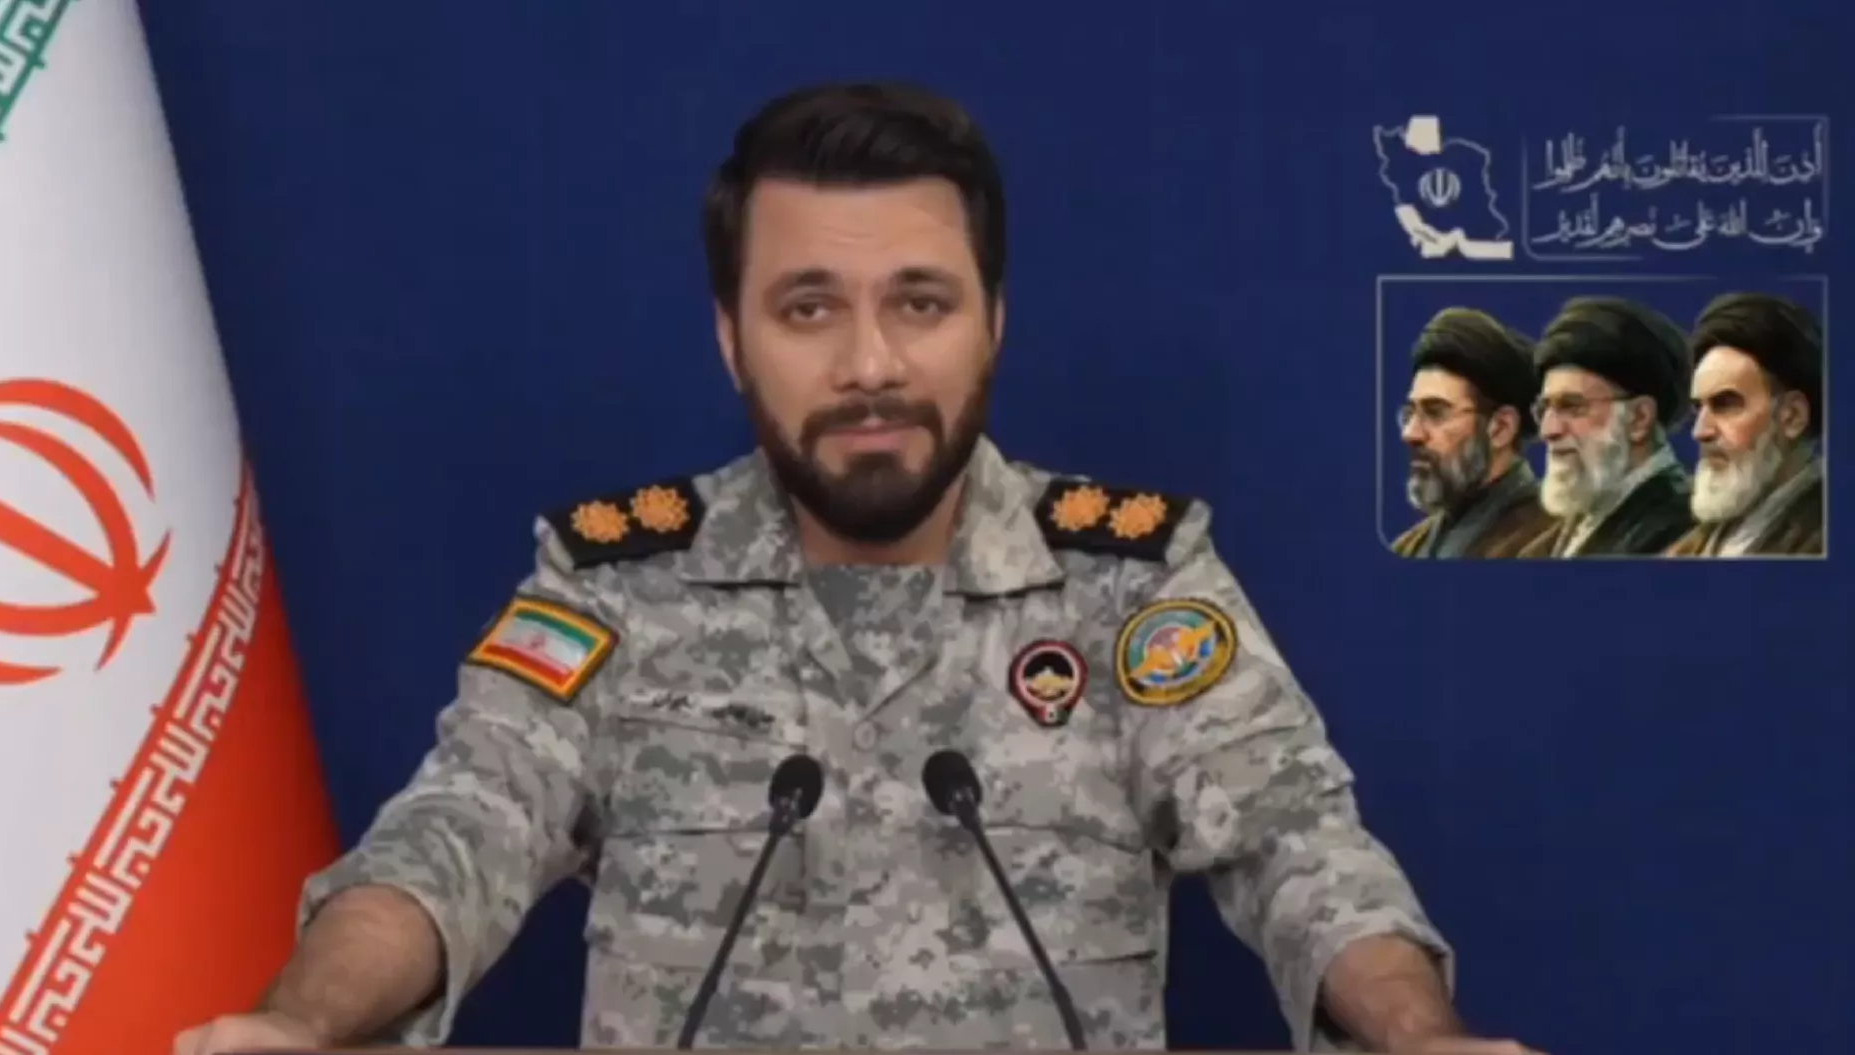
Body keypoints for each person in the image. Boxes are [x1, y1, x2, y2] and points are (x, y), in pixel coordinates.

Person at [174, 83, 1541, 1054]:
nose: (871, 362)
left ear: (993, 322)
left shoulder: (1128, 577)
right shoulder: (614, 582)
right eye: (809, 306)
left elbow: (1299, 841)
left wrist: (1418, 1033)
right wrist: (302, 1020)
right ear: (733, 337)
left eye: (920, 302)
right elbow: (460, 829)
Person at [1517, 296, 1694, 557]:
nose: (1548, 430)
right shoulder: (1555, 538)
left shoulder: (1682, 529)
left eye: (1572, 406)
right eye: (1544, 409)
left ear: (1639, 418)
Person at [1665, 292, 1825, 557]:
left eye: (1725, 404)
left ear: (1792, 416)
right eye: (1698, 409)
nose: (1700, 431)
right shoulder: (1690, 547)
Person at [1390, 307, 1552, 558]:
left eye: (1435, 412)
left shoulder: (1557, 541)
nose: (1410, 433)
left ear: (1501, 428)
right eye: (1410, 413)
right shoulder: (1408, 548)